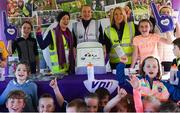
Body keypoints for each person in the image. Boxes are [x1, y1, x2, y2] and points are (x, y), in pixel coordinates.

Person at [154, 5, 180, 71]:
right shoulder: (156, 24)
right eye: (163, 12)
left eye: (168, 12)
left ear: (171, 14)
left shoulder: (174, 25)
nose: (165, 13)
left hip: (170, 57)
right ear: (159, 14)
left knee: (169, 76)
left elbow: (178, 37)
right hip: (157, 56)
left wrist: (176, 22)